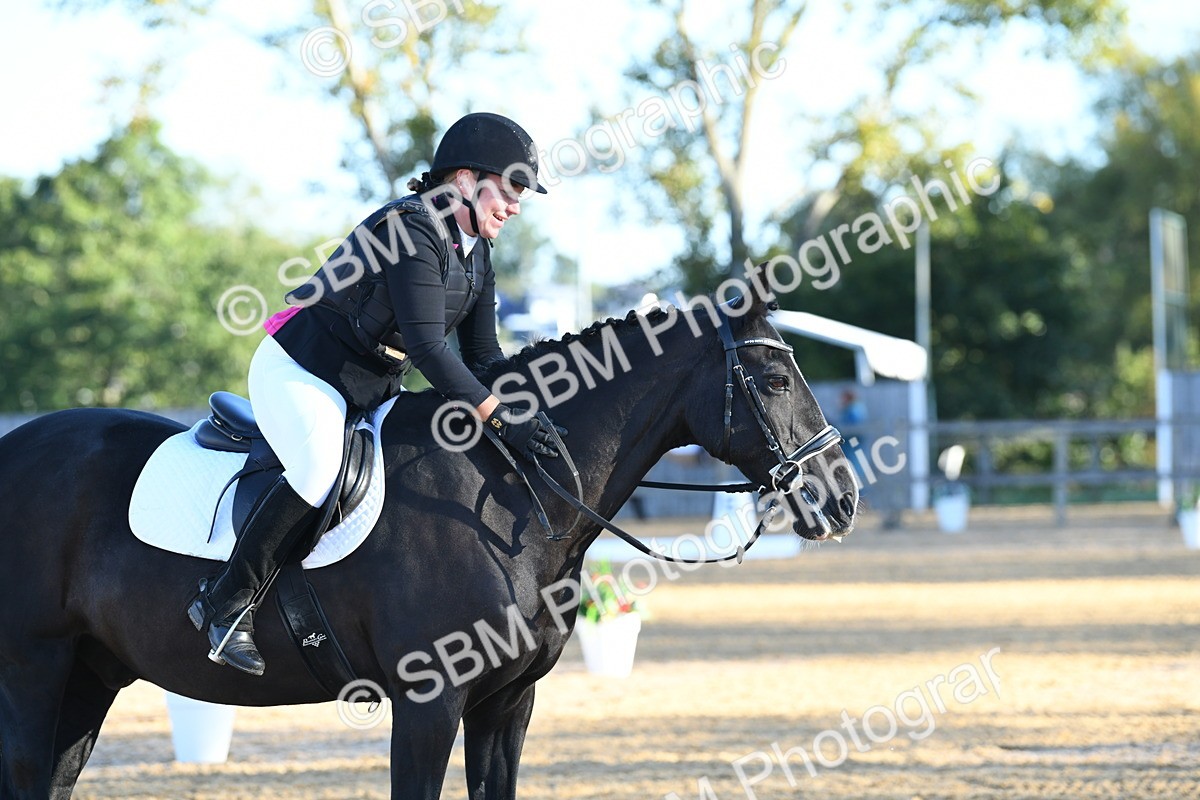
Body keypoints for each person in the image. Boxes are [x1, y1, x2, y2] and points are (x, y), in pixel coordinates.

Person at [188, 112, 566, 676]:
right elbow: (432, 350)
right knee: (319, 470)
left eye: (520, 195)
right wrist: (495, 416)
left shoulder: (476, 249)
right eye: (510, 189)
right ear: (465, 180)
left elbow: (483, 354)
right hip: (300, 371)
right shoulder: (411, 229)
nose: (515, 205)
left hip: (369, 386)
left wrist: (524, 406)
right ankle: (224, 601)